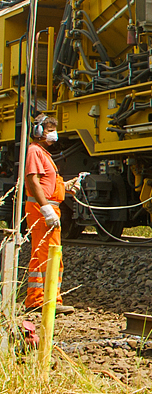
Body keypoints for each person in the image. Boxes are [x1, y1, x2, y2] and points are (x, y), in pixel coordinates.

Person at [24, 113, 77, 314]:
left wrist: (65, 187)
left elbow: (45, 184)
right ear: (38, 132)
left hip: (46, 207)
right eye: (49, 131)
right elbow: (33, 181)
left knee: (40, 255)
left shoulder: (42, 154)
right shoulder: (35, 151)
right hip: (42, 209)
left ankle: (36, 300)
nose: (53, 135)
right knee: (50, 255)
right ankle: (50, 301)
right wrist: (46, 208)